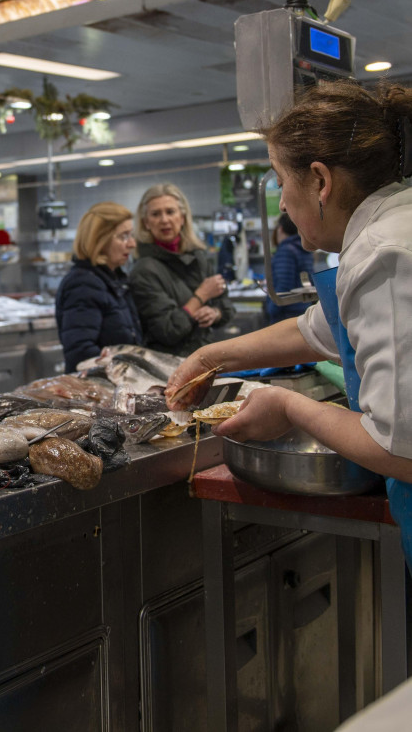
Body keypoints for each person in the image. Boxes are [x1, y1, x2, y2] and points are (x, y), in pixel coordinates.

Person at [164, 81, 412, 567]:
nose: (279, 204)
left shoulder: (385, 254)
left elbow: (399, 448)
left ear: (319, 180)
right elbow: (320, 329)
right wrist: (212, 355)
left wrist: (289, 407)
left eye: (280, 180)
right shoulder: (393, 227)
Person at [129, 183, 235, 356]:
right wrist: (201, 296)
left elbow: (227, 307)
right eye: (156, 214)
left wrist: (215, 313)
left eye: (170, 212)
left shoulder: (198, 258)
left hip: (204, 358)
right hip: (167, 367)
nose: (164, 220)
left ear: (183, 217)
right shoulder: (144, 270)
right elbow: (168, 330)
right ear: (146, 222)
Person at [55, 201, 142, 372]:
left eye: (131, 235)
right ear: (100, 240)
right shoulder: (83, 284)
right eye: (123, 236)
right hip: (95, 390)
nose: (132, 243)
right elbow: (80, 352)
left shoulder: (111, 279)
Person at [264, 213, 315, 323]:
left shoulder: (286, 251)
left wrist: (271, 309)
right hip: (302, 308)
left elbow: (284, 284)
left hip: (285, 313)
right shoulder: (304, 249)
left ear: (280, 229)